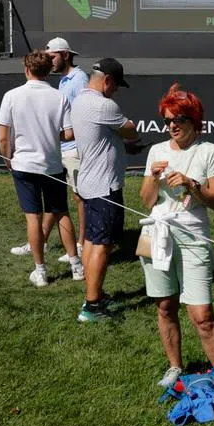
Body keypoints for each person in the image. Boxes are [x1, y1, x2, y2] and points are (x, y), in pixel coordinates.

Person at [140, 83, 214, 387]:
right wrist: (153, 178)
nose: (172, 127)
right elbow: (146, 200)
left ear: (193, 120)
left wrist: (192, 184)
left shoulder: (209, 151)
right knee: (165, 305)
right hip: (157, 234)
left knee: (202, 314)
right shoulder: (156, 151)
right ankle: (175, 366)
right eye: (167, 121)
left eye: (178, 120)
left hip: (193, 237)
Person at [0, 51, 80, 288]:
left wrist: (7, 160)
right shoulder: (59, 97)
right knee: (61, 212)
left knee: (33, 217)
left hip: (24, 165)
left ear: (27, 69)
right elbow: (69, 133)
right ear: (47, 72)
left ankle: (41, 271)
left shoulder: (11, 96)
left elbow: (4, 138)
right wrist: (50, 134)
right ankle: (76, 266)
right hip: (52, 164)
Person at [9, 37, 92, 262]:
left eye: (52, 55)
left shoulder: (78, 80)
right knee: (56, 204)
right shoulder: (64, 81)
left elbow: (79, 119)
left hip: (73, 148)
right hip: (59, 149)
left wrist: (44, 134)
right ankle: (40, 241)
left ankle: (81, 244)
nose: (49, 59)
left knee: (77, 197)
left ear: (65, 55)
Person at [72, 58, 140, 322]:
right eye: (116, 87)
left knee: (91, 241)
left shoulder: (80, 100)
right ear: (107, 81)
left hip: (90, 183)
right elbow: (131, 131)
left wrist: (122, 145)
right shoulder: (104, 105)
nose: (116, 92)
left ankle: (94, 294)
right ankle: (91, 305)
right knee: (102, 245)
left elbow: (105, 137)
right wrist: (128, 139)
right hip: (104, 187)